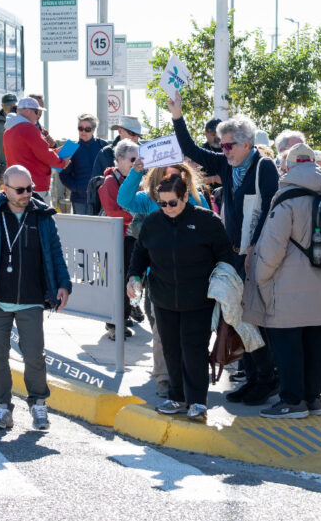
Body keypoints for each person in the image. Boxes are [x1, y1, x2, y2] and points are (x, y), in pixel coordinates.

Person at [167, 93, 280, 406]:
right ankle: (257, 376)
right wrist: (177, 116)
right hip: (233, 253)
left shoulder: (264, 166)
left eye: (229, 145)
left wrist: (254, 247)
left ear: (246, 143)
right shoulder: (228, 165)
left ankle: (267, 379)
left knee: (254, 318)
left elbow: (271, 211)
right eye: (222, 144)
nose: (223, 150)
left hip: (255, 255)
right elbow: (190, 150)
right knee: (239, 317)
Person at [0, 165, 71, 431]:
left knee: (34, 356)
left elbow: (55, 253)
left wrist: (64, 285)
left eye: (30, 188)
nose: (26, 194)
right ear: (4, 189)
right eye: (19, 190)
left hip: (31, 299)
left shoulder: (42, 217)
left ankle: (39, 405)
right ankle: (2, 409)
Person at [243, 144, 321, 418]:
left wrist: (259, 279)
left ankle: (292, 401)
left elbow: (272, 248)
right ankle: (314, 400)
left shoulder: (286, 199)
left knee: (288, 348)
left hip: (287, 288)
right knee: (314, 346)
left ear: (286, 167)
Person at [127, 174, 234, 422]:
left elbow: (225, 257)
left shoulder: (206, 221)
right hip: (163, 299)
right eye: (162, 203)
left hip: (198, 300)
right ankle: (176, 396)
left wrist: (222, 288)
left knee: (194, 350)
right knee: (171, 350)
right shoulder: (153, 222)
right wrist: (134, 277)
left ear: (185, 197)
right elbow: (140, 255)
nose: (167, 209)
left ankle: (197, 401)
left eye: (172, 203)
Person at [117, 159, 209, 397]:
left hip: (192, 281)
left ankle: (185, 380)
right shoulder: (151, 201)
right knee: (161, 331)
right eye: (166, 177)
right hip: (159, 279)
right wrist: (137, 171)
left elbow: (212, 235)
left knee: (189, 336)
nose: (172, 181)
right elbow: (124, 200)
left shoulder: (197, 200)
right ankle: (165, 379)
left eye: (177, 176)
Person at [98, 141, 139, 339]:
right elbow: (112, 211)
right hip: (118, 238)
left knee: (128, 279)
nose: (136, 162)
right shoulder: (110, 182)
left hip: (130, 237)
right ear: (120, 159)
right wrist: (137, 216)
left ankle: (122, 317)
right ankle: (114, 324)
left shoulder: (132, 179)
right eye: (133, 159)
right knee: (118, 280)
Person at [4, 97, 69, 202]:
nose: (39, 115)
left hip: (15, 186)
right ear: (27, 111)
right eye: (37, 111)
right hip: (35, 186)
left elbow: (32, 154)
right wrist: (62, 163)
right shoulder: (28, 128)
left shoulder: (8, 130)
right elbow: (44, 153)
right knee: (44, 217)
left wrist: (55, 153)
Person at [58, 113, 107, 215]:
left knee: (100, 229)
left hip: (100, 198)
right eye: (80, 128)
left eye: (87, 129)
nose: (83, 131)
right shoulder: (69, 147)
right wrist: (75, 188)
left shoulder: (104, 146)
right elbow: (62, 174)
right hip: (79, 199)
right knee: (80, 229)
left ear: (93, 130)